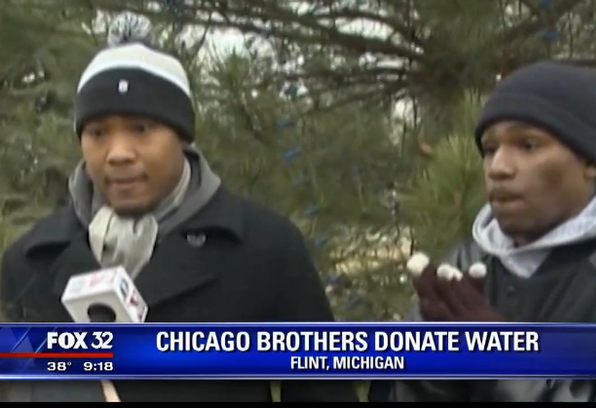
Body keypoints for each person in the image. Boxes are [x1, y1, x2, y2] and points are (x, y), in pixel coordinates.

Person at [0, 13, 358, 403]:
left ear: (182, 137)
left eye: (141, 129)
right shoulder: (29, 260)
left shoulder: (265, 248)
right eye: (98, 133)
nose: (118, 153)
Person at [369, 61, 596, 402]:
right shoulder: (460, 269)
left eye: (528, 145)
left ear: (590, 161)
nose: (499, 168)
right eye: (490, 149)